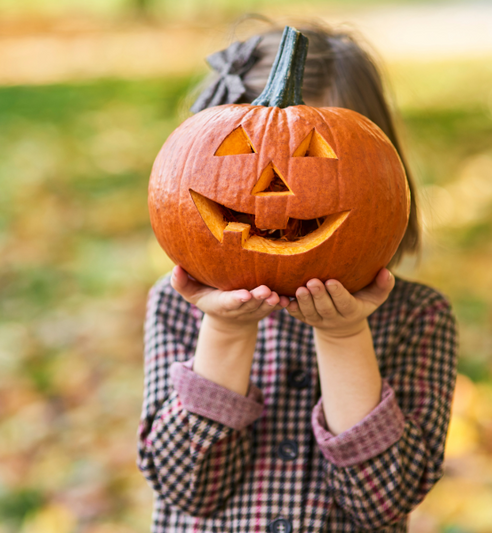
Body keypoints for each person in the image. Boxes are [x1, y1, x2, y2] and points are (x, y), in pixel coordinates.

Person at [137, 20, 458, 533]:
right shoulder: (177, 305)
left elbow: (384, 502)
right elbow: (186, 488)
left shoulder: (419, 317)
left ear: (384, 172)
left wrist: (344, 335)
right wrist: (226, 331)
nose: (271, 188)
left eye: (314, 155)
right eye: (240, 153)